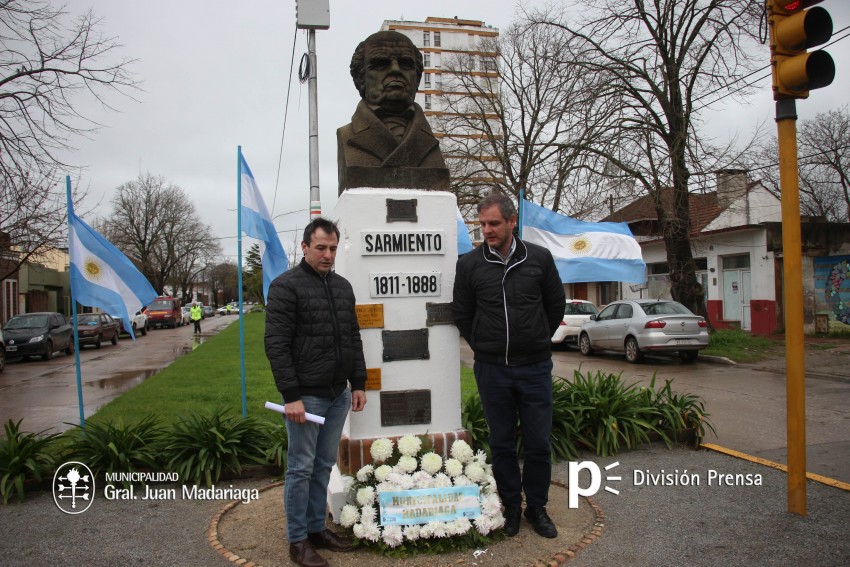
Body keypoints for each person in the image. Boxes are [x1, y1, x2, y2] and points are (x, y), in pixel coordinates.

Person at [451, 191, 566, 539]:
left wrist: (536, 340)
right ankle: (512, 507)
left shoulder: (539, 258)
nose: (487, 230)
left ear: (512, 222)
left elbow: (555, 305)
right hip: (492, 370)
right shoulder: (469, 265)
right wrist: (485, 345)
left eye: (494, 223)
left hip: (534, 368)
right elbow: (462, 314)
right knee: (501, 443)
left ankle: (537, 508)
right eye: (483, 224)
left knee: (538, 443)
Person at [265, 217, 367, 567]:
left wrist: (358, 382)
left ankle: (315, 529)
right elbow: (276, 345)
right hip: (305, 397)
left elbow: (352, 337)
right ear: (305, 247)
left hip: (338, 394)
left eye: (333, 248)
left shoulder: (342, 287)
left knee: (323, 465)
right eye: (321, 248)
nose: (328, 255)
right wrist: (291, 395)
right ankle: (298, 541)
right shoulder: (285, 287)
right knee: (300, 468)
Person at [337, 30, 447, 194]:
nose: (395, 70)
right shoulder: (347, 136)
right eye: (381, 64)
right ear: (360, 79)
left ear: (417, 79)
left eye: (406, 64)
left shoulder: (429, 141)